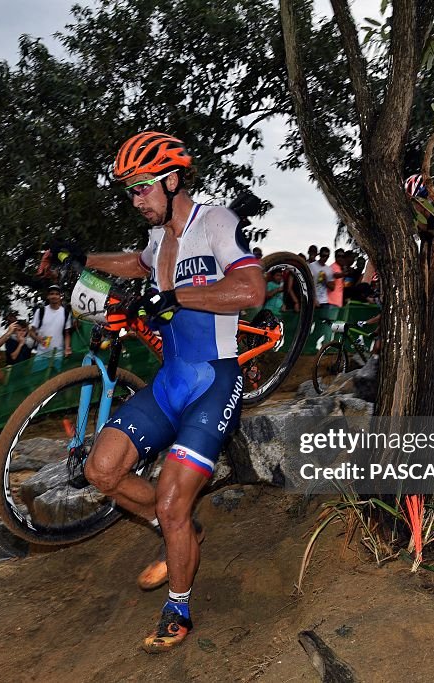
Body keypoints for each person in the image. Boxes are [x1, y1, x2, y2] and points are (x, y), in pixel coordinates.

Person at [75, 131, 263, 652]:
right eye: (130, 192)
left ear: (173, 180)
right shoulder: (158, 240)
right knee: (102, 470)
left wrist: (178, 297)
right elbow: (136, 263)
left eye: (141, 189)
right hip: (169, 382)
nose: (135, 201)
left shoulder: (216, 222)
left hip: (213, 380)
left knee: (173, 500)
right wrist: (84, 256)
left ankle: (178, 608)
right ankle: (180, 530)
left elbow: (251, 289)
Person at [30, 286, 73, 373]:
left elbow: (67, 333)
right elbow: (31, 332)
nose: (54, 296)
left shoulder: (65, 313)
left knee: (55, 383)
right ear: (48, 296)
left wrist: (67, 347)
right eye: (52, 294)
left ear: (60, 297)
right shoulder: (41, 311)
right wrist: (37, 338)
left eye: (57, 294)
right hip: (41, 354)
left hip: (57, 355)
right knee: (37, 382)